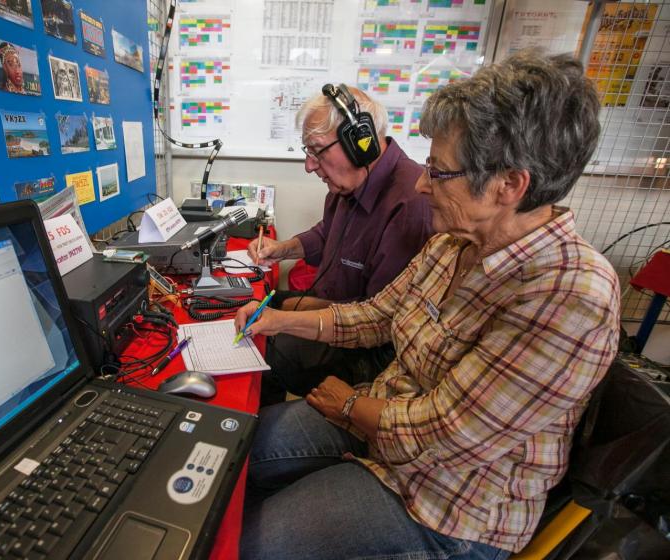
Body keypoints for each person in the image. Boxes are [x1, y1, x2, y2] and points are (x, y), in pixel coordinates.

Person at [235, 50, 620, 559]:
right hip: (380, 427)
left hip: (448, 506)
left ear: (509, 184)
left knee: (246, 544)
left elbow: (444, 433)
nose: (420, 183)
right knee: (230, 454)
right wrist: (280, 320)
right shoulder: (453, 244)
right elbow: (377, 314)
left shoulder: (573, 294)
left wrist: (349, 405)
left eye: (438, 173)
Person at [249, 84, 433, 405]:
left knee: (266, 349)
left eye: (317, 150)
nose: (309, 165)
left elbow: (374, 318)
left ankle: (264, 442)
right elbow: (326, 235)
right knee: (260, 306)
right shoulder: (346, 186)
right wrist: (282, 249)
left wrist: (290, 313)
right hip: (333, 310)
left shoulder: (411, 203)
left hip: (368, 349)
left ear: (359, 143)